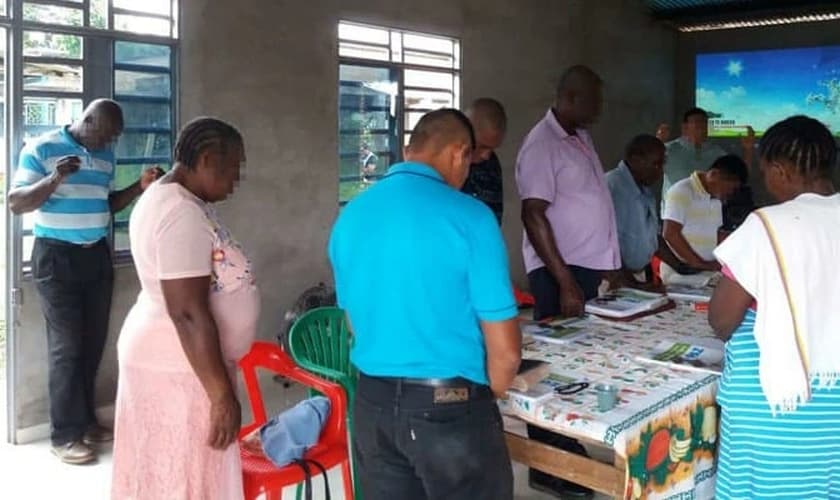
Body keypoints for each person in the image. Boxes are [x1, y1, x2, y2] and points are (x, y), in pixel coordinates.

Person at [329, 109, 522, 500]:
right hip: (449, 409)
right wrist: (484, 401)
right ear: (459, 153)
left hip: (372, 405)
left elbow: (354, 323)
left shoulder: (351, 216)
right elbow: (506, 353)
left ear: (408, 150)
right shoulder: (471, 217)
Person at [8, 99, 162, 464]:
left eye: (114, 137)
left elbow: (103, 205)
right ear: (88, 120)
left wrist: (139, 187)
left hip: (96, 257)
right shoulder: (41, 149)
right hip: (56, 258)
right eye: (105, 134)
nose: (108, 142)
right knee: (67, 348)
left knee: (92, 344)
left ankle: (86, 422)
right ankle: (64, 436)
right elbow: (16, 203)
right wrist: (55, 178)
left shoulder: (105, 156)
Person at [111, 118, 258, 499]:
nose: (236, 179)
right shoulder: (180, 212)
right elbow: (188, 312)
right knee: (182, 480)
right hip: (178, 368)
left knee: (175, 476)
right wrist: (221, 396)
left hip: (177, 361)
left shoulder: (175, 199)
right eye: (232, 167)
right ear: (206, 159)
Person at [709, 115, 840, 500]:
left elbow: (722, 321)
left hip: (772, 408)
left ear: (780, 171)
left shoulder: (766, 226)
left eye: (765, 170)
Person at [516, 65, 618, 499]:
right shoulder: (542, 144)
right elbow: (533, 213)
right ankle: (548, 465)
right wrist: (565, 282)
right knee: (552, 369)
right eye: (595, 100)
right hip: (560, 273)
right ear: (572, 97)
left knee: (580, 365)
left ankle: (564, 450)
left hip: (582, 270)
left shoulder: (579, 137)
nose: (600, 108)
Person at [659, 108, 756, 230]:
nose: (702, 126)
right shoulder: (668, 150)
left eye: (705, 123)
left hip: (706, 217)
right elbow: (650, 167)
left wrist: (748, 149)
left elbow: (739, 176)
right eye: (697, 122)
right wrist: (659, 142)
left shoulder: (717, 152)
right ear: (685, 127)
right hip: (674, 216)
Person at [605, 134, 682, 286]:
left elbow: (653, 238)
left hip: (635, 276)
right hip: (613, 279)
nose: (660, 172)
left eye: (662, 164)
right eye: (656, 164)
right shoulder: (612, 187)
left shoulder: (645, 190)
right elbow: (604, 245)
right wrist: (633, 286)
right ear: (635, 160)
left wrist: (681, 267)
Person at [661, 154, 747, 285]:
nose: (730, 193)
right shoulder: (682, 191)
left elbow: (716, 234)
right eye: (731, 188)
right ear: (714, 175)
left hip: (706, 270)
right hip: (680, 271)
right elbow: (670, 233)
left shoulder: (716, 199)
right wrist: (699, 263)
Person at [461, 97, 507, 224]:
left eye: (492, 149)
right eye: (482, 147)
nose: (486, 155)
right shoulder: (440, 162)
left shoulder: (491, 164)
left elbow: (493, 217)